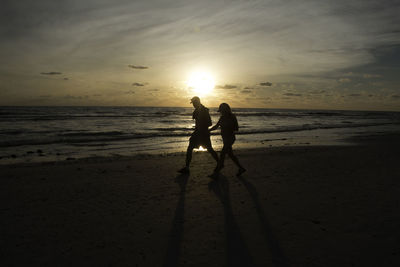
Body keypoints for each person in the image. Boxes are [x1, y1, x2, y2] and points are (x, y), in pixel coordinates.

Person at [178, 96, 219, 174]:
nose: (193, 104)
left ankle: (220, 163)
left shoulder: (204, 110)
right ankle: (187, 167)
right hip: (197, 133)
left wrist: (201, 127)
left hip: (203, 133)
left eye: (194, 103)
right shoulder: (197, 110)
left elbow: (209, 123)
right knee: (190, 148)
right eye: (192, 103)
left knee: (209, 149)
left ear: (197, 102)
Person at [209, 103, 246, 177]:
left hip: (230, 138)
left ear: (225, 110)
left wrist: (227, 127)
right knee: (231, 155)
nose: (221, 112)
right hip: (225, 139)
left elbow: (236, 128)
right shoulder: (222, 117)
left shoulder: (232, 117)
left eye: (222, 110)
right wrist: (208, 130)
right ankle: (241, 168)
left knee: (222, 154)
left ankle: (216, 172)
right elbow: (216, 126)